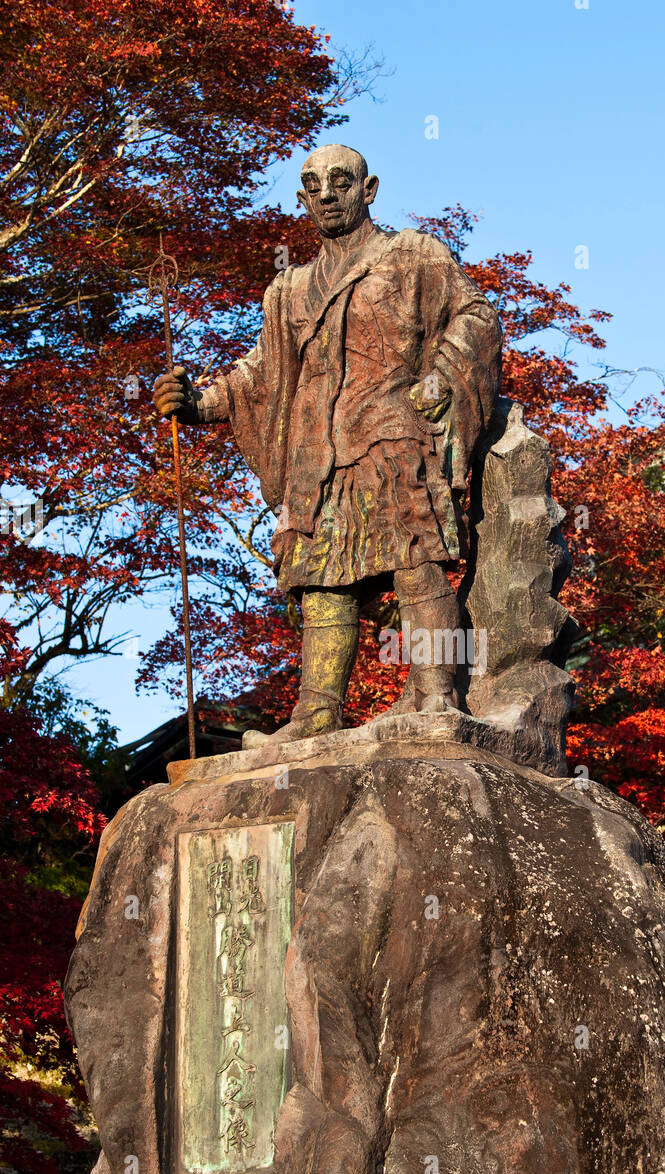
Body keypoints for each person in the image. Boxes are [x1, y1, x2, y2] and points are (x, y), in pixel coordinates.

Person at [154, 144, 502, 743]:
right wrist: (197, 403)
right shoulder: (288, 290)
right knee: (322, 587)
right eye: (312, 185)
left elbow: (476, 316)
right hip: (317, 457)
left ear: (369, 189)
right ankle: (316, 715)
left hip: (394, 437)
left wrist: (441, 376)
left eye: (340, 181)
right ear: (301, 199)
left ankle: (438, 697)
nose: (326, 193)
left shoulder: (411, 255)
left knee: (416, 567)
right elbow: (260, 377)